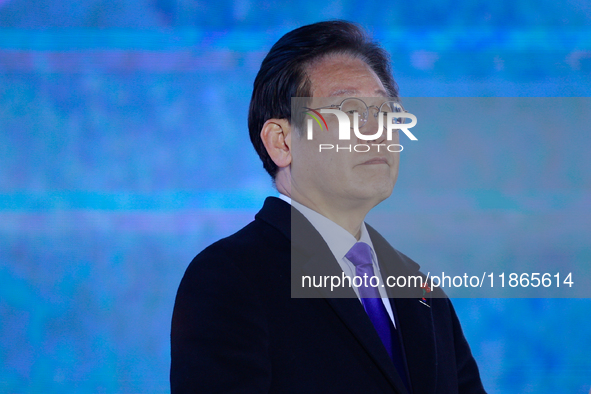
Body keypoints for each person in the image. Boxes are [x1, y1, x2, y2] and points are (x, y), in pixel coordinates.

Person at [171, 20, 486, 393]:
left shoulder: (423, 295)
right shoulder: (229, 278)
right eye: (349, 112)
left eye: (385, 113)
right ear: (282, 142)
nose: (377, 131)